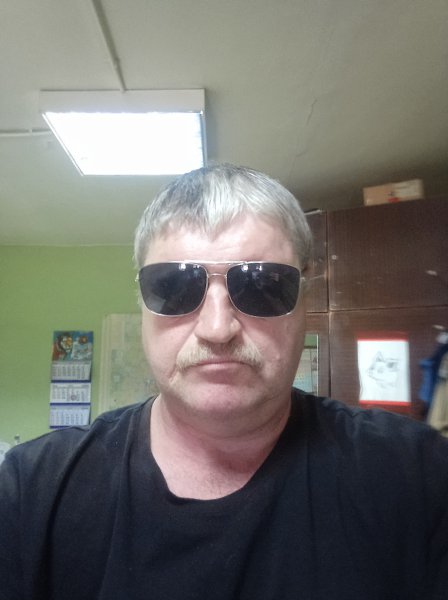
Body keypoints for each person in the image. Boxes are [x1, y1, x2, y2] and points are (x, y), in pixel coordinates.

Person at [0, 164, 447, 599]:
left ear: (304, 304)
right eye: (174, 287)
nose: (217, 329)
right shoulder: (31, 491)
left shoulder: (418, 476)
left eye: (263, 286)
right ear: (142, 304)